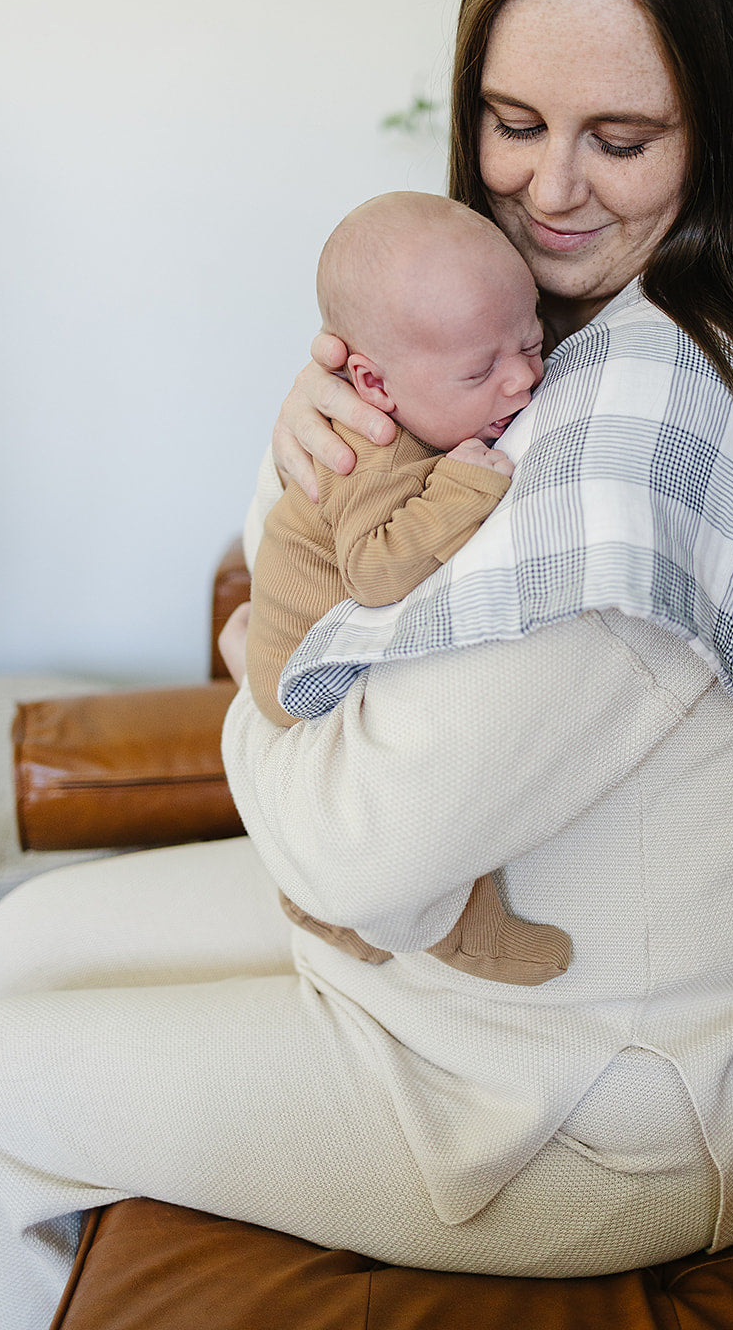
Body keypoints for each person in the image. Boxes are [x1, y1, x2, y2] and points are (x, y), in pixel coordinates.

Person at [0, 0, 733, 1327]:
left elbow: (349, 846)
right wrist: (303, 443)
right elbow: (315, 599)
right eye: (509, 120)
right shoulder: (548, 330)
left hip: (598, 1099)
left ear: (716, 131)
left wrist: (257, 710)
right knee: (19, 937)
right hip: (469, 984)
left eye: (619, 138)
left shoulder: (636, 452)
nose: (546, 189)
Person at [248, 188, 572, 985]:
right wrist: (464, 489)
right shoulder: (376, 450)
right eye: (478, 370)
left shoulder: (432, 399)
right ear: (375, 384)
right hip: (300, 672)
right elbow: (377, 568)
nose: (520, 382)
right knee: (422, 800)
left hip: (319, 640)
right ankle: (452, 926)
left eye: (530, 343)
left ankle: (324, 906)